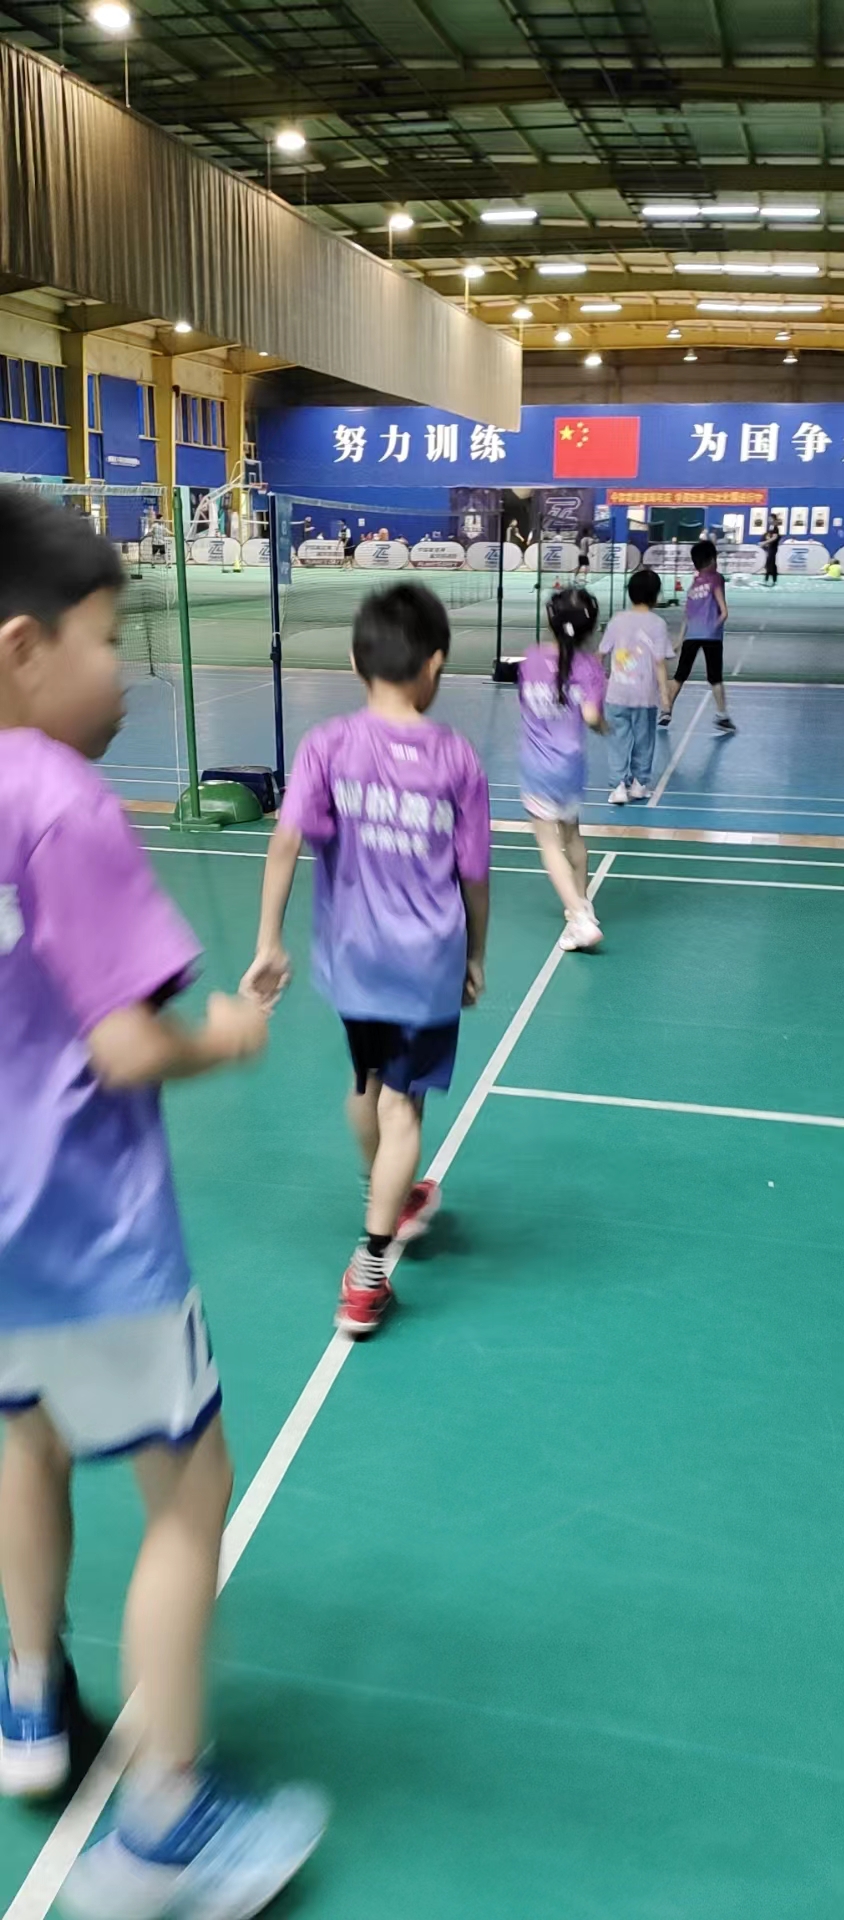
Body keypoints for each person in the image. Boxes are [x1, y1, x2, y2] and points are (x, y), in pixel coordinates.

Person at [0, 490, 327, 1918]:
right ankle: (160, 1829)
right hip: (91, 1236)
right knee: (189, 1493)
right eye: (107, 639)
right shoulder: (63, 802)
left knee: (25, 1440)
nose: (126, 671)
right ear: (24, 650)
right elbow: (128, 1046)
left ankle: (28, 1705)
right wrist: (227, 1037)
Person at [242, 583, 490, 1339]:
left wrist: (268, 941)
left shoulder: (326, 745)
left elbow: (285, 841)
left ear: (355, 662)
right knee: (402, 1107)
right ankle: (369, 1273)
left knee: (367, 1081)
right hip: (426, 965)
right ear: (435, 664)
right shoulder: (457, 758)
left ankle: (380, 1189)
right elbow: (474, 874)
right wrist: (476, 953)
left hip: (355, 962)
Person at [518, 585, 606, 953]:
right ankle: (582, 904)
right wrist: (604, 726)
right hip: (571, 768)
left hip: (538, 768)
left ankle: (579, 919)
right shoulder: (591, 667)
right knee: (572, 835)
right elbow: (591, 717)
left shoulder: (531, 659)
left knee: (548, 844)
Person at [599, 567, 671, 803]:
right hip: (645, 696)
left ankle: (619, 786)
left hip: (617, 693)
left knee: (617, 740)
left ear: (630, 593)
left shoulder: (617, 620)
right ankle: (639, 784)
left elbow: (600, 653)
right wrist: (665, 696)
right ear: (656, 595)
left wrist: (594, 683)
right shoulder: (658, 624)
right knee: (644, 740)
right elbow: (660, 663)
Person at [665, 538, 736, 735]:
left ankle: (666, 711)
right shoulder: (716, 578)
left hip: (691, 636)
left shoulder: (693, 586)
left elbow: (687, 616)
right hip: (712, 636)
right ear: (712, 559)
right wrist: (716, 624)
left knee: (680, 675)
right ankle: (722, 716)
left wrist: (680, 640)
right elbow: (724, 611)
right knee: (715, 678)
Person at [762, 517, 781, 587]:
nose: (769, 520)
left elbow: (774, 538)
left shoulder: (775, 528)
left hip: (773, 548)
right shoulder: (771, 528)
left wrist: (764, 542)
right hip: (770, 547)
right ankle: (768, 580)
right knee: (769, 564)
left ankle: (772, 580)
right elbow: (769, 537)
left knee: (771, 564)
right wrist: (767, 540)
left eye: (771, 519)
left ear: (774, 520)